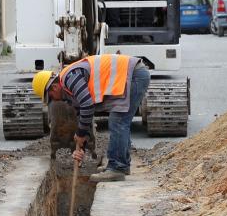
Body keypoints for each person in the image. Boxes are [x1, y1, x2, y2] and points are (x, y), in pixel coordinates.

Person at [33, 53, 151, 182]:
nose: (53, 101)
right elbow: (83, 117)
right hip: (130, 75)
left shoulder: (70, 78)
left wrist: (80, 133)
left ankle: (117, 167)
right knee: (119, 120)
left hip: (133, 75)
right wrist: (81, 145)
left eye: (50, 98)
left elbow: (87, 105)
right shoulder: (69, 92)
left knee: (118, 121)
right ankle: (119, 165)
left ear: (53, 88)